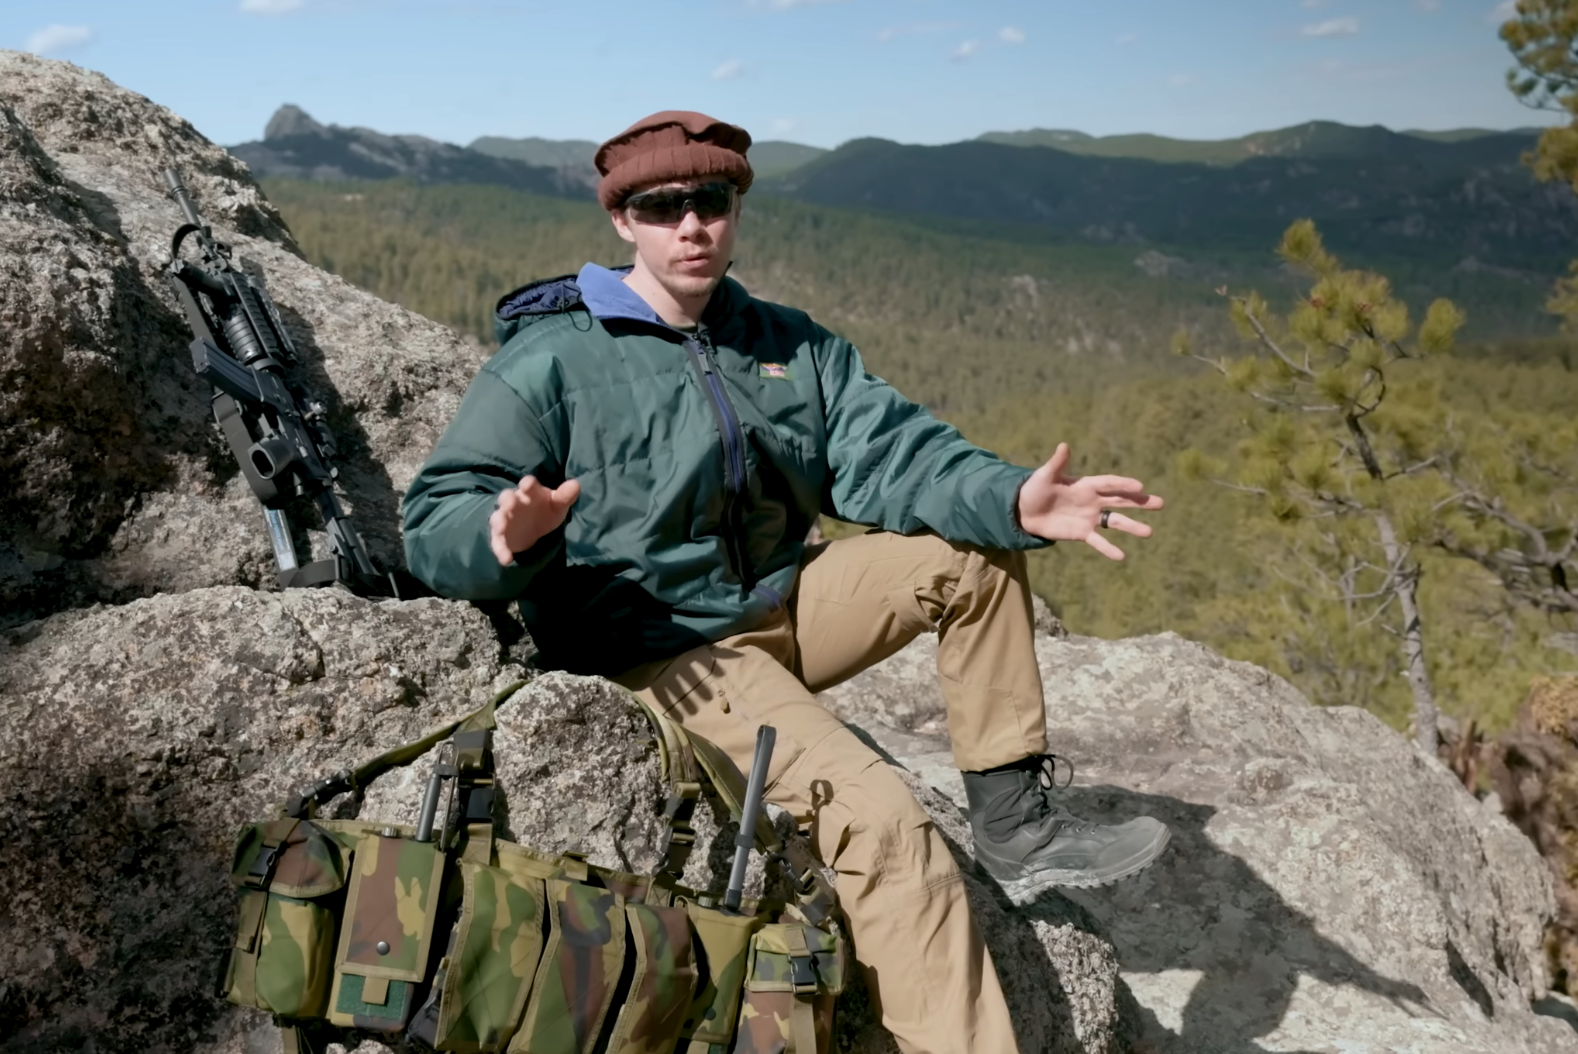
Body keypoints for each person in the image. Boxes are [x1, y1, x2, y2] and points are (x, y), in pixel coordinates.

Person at [402, 110, 1170, 1054]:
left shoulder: (785, 344)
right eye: (663, 207)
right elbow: (434, 519)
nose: (692, 225)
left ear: (736, 207)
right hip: (667, 653)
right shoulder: (554, 360)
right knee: (886, 826)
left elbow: (898, 456)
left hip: (779, 608)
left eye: (711, 201)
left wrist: (1014, 499)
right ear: (622, 220)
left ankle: (1015, 824)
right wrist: (502, 538)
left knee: (973, 556)